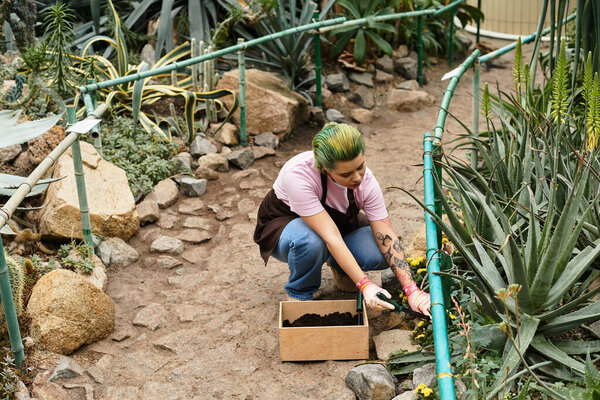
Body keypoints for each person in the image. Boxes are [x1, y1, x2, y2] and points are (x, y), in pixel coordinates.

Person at [254, 122, 431, 315]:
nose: (357, 178)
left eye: (360, 166)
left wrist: (412, 290)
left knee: (379, 253)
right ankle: (300, 293)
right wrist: (365, 284)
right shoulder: (297, 175)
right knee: (311, 242)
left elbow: (385, 231)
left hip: (339, 225)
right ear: (325, 169)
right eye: (346, 174)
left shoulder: (366, 180)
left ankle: (341, 267)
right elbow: (331, 237)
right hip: (286, 226)